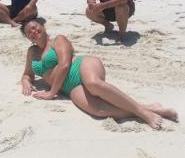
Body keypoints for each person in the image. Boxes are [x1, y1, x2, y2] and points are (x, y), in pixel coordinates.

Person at [20, 20, 176, 129]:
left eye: (35, 27)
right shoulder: (32, 52)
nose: (33, 32)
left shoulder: (58, 40)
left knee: (93, 84)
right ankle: (150, 108)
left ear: (43, 26)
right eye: (29, 32)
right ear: (27, 38)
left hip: (81, 66)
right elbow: (27, 74)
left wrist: (52, 92)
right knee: (97, 111)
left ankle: (143, 114)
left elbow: (65, 64)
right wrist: (26, 81)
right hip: (70, 88)